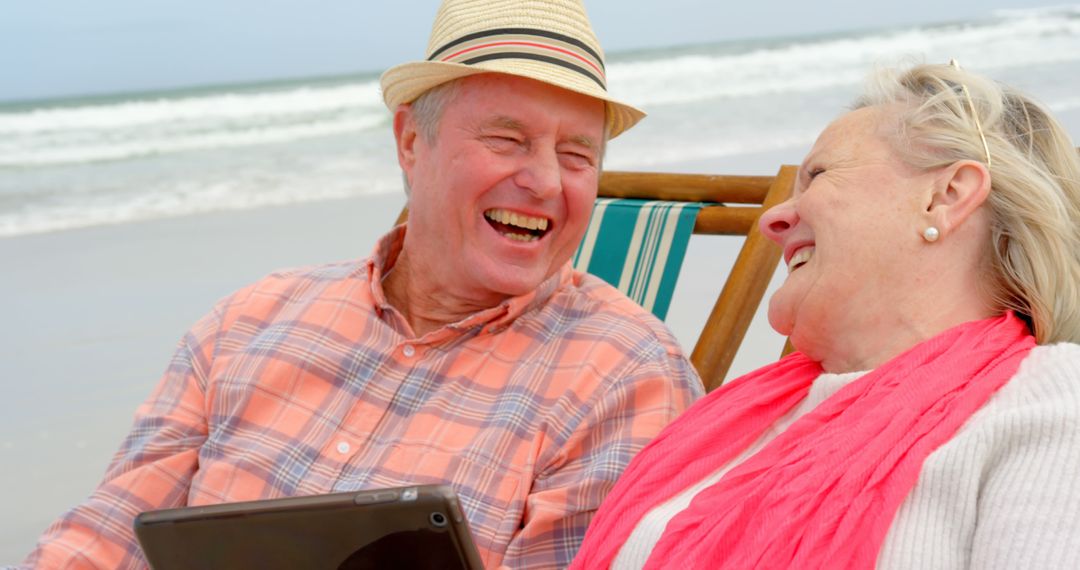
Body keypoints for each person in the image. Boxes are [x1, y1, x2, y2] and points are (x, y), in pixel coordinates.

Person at [20, 0, 703, 568]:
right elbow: (103, 536)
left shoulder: (625, 376)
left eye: (577, 154)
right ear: (411, 142)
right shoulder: (253, 320)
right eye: (507, 140)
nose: (547, 181)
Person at [571, 62, 1080, 569]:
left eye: (816, 176)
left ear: (945, 197)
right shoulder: (739, 418)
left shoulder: (1045, 406)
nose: (772, 220)